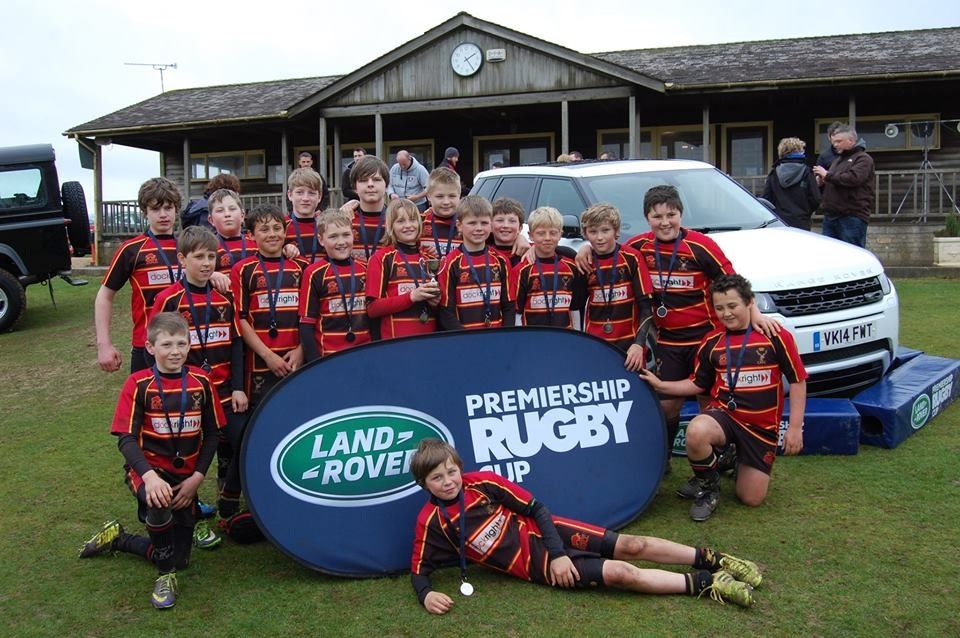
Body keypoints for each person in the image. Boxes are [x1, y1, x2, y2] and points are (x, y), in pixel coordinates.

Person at [409, 439, 759, 615]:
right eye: (437, 478)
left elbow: (537, 508)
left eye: (451, 471)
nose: (448, 481)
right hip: (539, 566)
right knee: (624, 573)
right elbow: (419, 571)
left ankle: (715, 558)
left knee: (633, 545)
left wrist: (559, 552)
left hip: (554, 534)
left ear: (459, 466)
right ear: (425, 485)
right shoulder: (431, 521)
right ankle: (709, 583)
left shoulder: (482, 482)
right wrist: (426, 595)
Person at [576, 186, 780, 478]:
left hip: (706, 340)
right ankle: (665, 460)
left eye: (671, 214)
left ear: (680, 214)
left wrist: (755, 314)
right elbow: (607, 246)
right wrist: (585, 248)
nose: (665, 222)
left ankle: (719, 461)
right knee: (668, 404)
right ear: (647, 218)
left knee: (709, 404)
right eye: (657, 216)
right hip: (668, 342)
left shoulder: (701, 245)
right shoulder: (639, 247)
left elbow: (732, 281)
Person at [78, 312, 225, 610]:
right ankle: (164, 576)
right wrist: (149, 476)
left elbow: (212, 435)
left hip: (186, 477)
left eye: (181, 343)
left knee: (179, 557)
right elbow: (126, 438)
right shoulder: (138, 383)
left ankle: (119, 539)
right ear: (150, 347)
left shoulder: (200, 381)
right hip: (148, 470)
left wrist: (197, 478)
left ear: (189, 344)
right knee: (159, 503)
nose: (175, 351)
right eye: (167, 344)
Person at [640, 274, 807, 522]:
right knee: (697, 431)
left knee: (751, 499)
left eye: (732, 306)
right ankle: (708, 489)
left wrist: (794, 428)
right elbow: (697, 384)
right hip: (726, 417)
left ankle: (728, 458)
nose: (726, 314)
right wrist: (662, 385)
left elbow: (797, 380)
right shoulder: (711, 342)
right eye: (719, 308)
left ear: (750, 302)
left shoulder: (775, 335)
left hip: (761, 429)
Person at [150, 226, 248, 549]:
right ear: (182, 258)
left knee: (245, 440)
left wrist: (237, 387)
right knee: (185, 460)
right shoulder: (168, 299)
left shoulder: (224, 295)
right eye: (199, 257)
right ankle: (187, 518)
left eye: (211, 257)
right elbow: (159, 349)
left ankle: (229, 500)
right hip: (188, 398)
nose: (207, 264)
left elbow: (235, 343)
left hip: (224, 392)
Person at [96, 177, 183, 374]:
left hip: (186, 345)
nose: (163, 214)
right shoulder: (131, 250)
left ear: (176, 209)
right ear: (144, 212)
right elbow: (105, 295)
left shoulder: (188, 246)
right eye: (155, 209)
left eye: (168, 208)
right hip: (148, 346)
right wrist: (104, 345)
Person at [231, 204, 308, 406]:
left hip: (297, 361)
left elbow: (311, 316)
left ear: (285, 231)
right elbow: (240, 319)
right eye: (264, 230)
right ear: (251, 236)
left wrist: (302, 350)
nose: (272, 234)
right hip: (260, 363)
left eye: (277, 228)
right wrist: (268, 355)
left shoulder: (302, 266)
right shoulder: (242, 270)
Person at [578, 203, 653, 371]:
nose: (599, 237)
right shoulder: (584, 262)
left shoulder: (632, 258)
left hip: (630, 347)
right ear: (585, 234)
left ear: (616, 231)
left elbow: (646, 307)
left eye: (605, 230)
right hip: (596, 345)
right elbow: (578, 308)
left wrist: (639, 344)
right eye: (593, 231)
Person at [299, 208, 372, 360]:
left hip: (365, 353)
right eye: (333, 237)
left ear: (353, 235)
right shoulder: (313, 273)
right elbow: (306, 324)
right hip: (329, 357)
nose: (341, 242)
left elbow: (375, 317)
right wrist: (315, 364)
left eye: (346, 235)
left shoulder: (366, 268)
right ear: (321, 240)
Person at [366, 198, 441, 339]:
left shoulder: (429, 258)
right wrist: (411, 296)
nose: (408, 226)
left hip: (429, 341)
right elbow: (373, 308)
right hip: (395, 344)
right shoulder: (381, 258)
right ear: (390, 226)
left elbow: (442, 308)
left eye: (412, 220)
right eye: (400, 221)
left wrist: (436, 303)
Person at [437, 196, 515, 330]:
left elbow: (508, 306)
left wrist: (505, 336)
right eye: (472, 223)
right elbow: (445, 311)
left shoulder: (501, 260)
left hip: (497, 338)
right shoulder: (450, 263)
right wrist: (466, 339)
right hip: (465, 341)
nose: (479, 228)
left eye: (484, 223)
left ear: (491, 225)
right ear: (459, 226)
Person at [511, 206, 585, 328]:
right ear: (530, 235)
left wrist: (577, 336)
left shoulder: (571, 267)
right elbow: (517, 313)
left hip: (565, 338)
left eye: (553, 233)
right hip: (533, 339)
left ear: (560, 234)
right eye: (541, 233)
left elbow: (575, 308)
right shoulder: (522, 270)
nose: (547, 238)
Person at [812, 124, 875, 248]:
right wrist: (821, 181)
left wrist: (827, 175)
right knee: (830, 255)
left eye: (839, 141)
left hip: (851, 216)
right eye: (834, 142)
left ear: (851, 140)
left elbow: (854, 178)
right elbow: (835, 179)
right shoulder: (838, 160)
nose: (835, 145)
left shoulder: (863, 159)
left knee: (853, 254)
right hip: (831, 216)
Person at [762, 137, 821, 231]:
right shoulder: (807, 172)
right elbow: (816, 199)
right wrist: (805, 212)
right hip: (801, 221)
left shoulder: (774, 173)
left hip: (780, 222)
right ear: (798, 151)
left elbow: (766, 198)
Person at [342, 155, 390, 262]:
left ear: (387, 185)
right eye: (363, 180)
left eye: (376, 179)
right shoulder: (344, 220)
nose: (370, 184)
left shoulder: (397, 221)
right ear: (354, 187)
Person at [207, 188, 258, 281]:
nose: (227, 214)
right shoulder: (207, 247)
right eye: (220, 210)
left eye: (232, 209)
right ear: (211, 220)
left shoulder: (256, 243)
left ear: (242, 215)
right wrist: (209, 276)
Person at [419, 167, 463, 259]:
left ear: (459, 195)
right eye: (440, 196)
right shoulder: (418, 222)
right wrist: (420, 253)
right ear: (429, 197)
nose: (446, 202)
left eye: (452, 196)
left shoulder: (466, 223)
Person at [285, 168, 324, 264]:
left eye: (311, 193)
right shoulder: (280, 226)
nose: (305, 198)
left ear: (319, 197)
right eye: (300, 192)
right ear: (290, 195)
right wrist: (282, 249)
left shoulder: (326, 226)